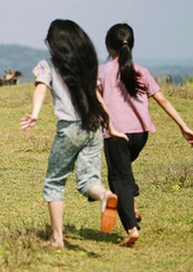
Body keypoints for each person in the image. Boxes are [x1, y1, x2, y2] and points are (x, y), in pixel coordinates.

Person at [20, 19, 126, 249]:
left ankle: (57, 238)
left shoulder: (47, 65)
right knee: (89, 180)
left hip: (69, 129)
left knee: (54, 182)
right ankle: (106, 196)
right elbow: (98, 97)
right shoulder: (87, 65)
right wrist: (112, 126)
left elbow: (40, 89)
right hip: (94, 127)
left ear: (54, 44)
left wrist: (35, 114)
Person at [98, 23, 193, 247]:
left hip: (116, 133)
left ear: (108, 46)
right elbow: (162, 99)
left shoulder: (102, 72)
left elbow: (93, 98)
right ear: (131, 45)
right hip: (141, 135)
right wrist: (184, 126)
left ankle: (131, 228)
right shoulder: (141, 71)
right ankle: (130, 205)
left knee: (119, 179)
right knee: (121, 172)